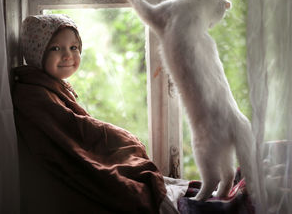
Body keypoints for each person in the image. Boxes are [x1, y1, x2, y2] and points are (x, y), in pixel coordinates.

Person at [12, 14, 178, 214]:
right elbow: (70, 128)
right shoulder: (33, 93)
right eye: (56, 48)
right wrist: (116, 136)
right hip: (56, 178)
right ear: (36, 52)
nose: (67, 55)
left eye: (74, 47)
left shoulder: (49, 85)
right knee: (122, 185)